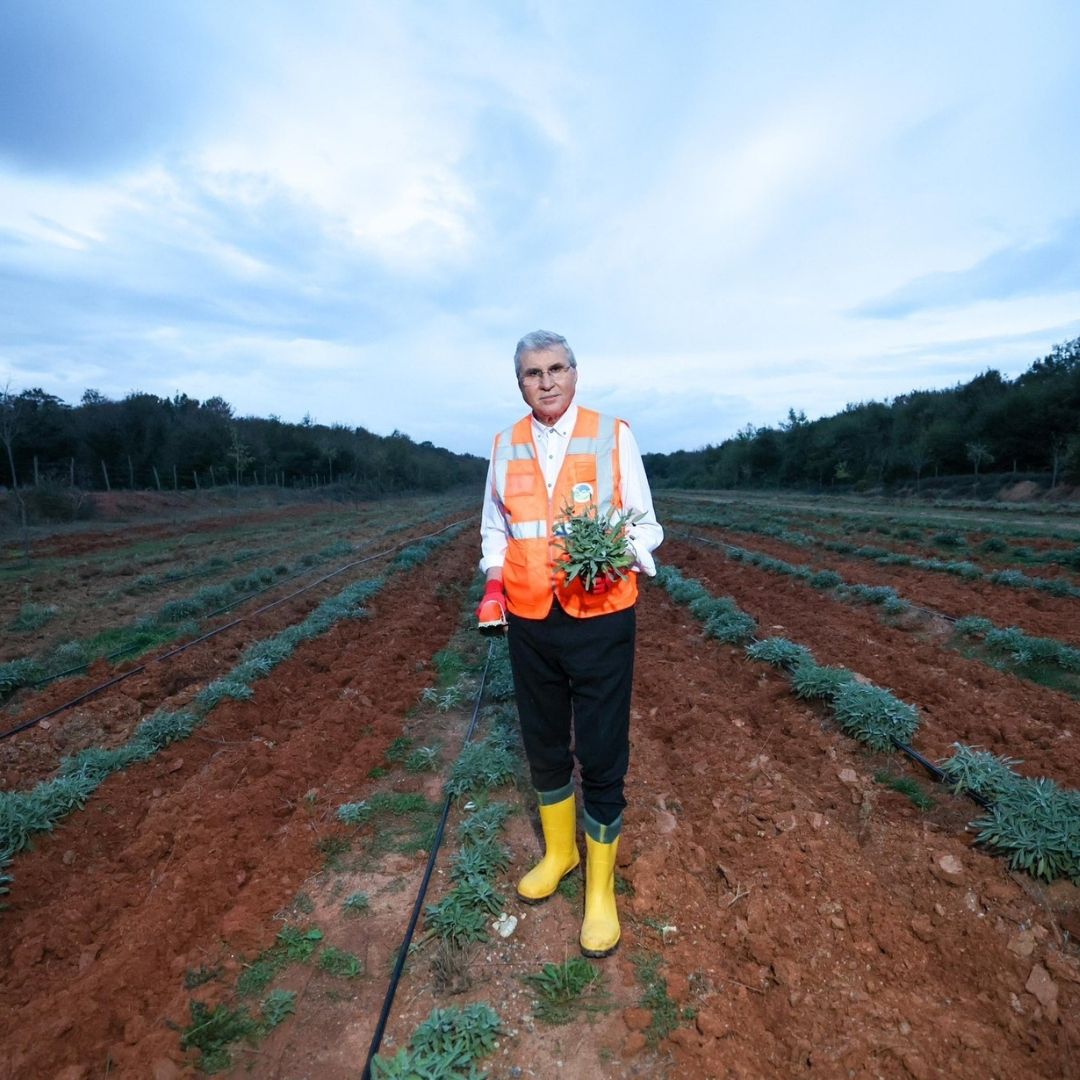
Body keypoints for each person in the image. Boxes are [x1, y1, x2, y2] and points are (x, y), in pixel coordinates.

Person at [476, 329, 663, 956]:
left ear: (576, 374)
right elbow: (494, 531)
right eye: (533, 373)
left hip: (602, 611)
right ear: (520, 382)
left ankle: (600, 889)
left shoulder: (614, 434)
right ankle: (560, 854)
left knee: (604, 749)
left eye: (557, 369)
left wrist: (621, 553)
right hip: (532, 617)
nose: (547, 381)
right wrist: (494, 586)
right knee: (544, 740)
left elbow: (646, 523)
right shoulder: (503, 446)